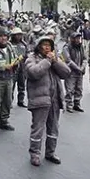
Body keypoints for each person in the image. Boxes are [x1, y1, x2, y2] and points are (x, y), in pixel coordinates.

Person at [24, 35, 71, 166]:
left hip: (54, 99)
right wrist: (48, 61)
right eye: (44, 45)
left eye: (49, 45)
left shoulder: (54, 59)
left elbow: (66, 73)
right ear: (38, 47)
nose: (47, 47)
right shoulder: (31, 58)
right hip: (40, 100)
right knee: (38, 128)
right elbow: (34, 72)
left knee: (54, 128)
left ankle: (50, 152)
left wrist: (55, 61)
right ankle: (35, 153)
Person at [62, 31, 87, 113]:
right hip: (70, 72)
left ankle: (77, 104)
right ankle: (69, 105)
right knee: (70, 89)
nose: (78, 40)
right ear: (72, 39)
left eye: (79, 38)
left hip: (80, 72)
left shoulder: (81, 47)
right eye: (76, 38)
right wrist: (77, 68)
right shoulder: (67, 47)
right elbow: (68, 60)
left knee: (79, 89)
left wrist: (82, 67)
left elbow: (85, 58)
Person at [10, 27, 29, 106]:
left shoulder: (24, 44)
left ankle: (21, 100)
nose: (18, 36)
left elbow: (27, 55)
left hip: (22, 67)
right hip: (13, 67)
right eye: (17, 35)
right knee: (11, 85)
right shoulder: (10, 44)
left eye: (20, 35)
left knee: (22, 85)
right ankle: (9, 101)